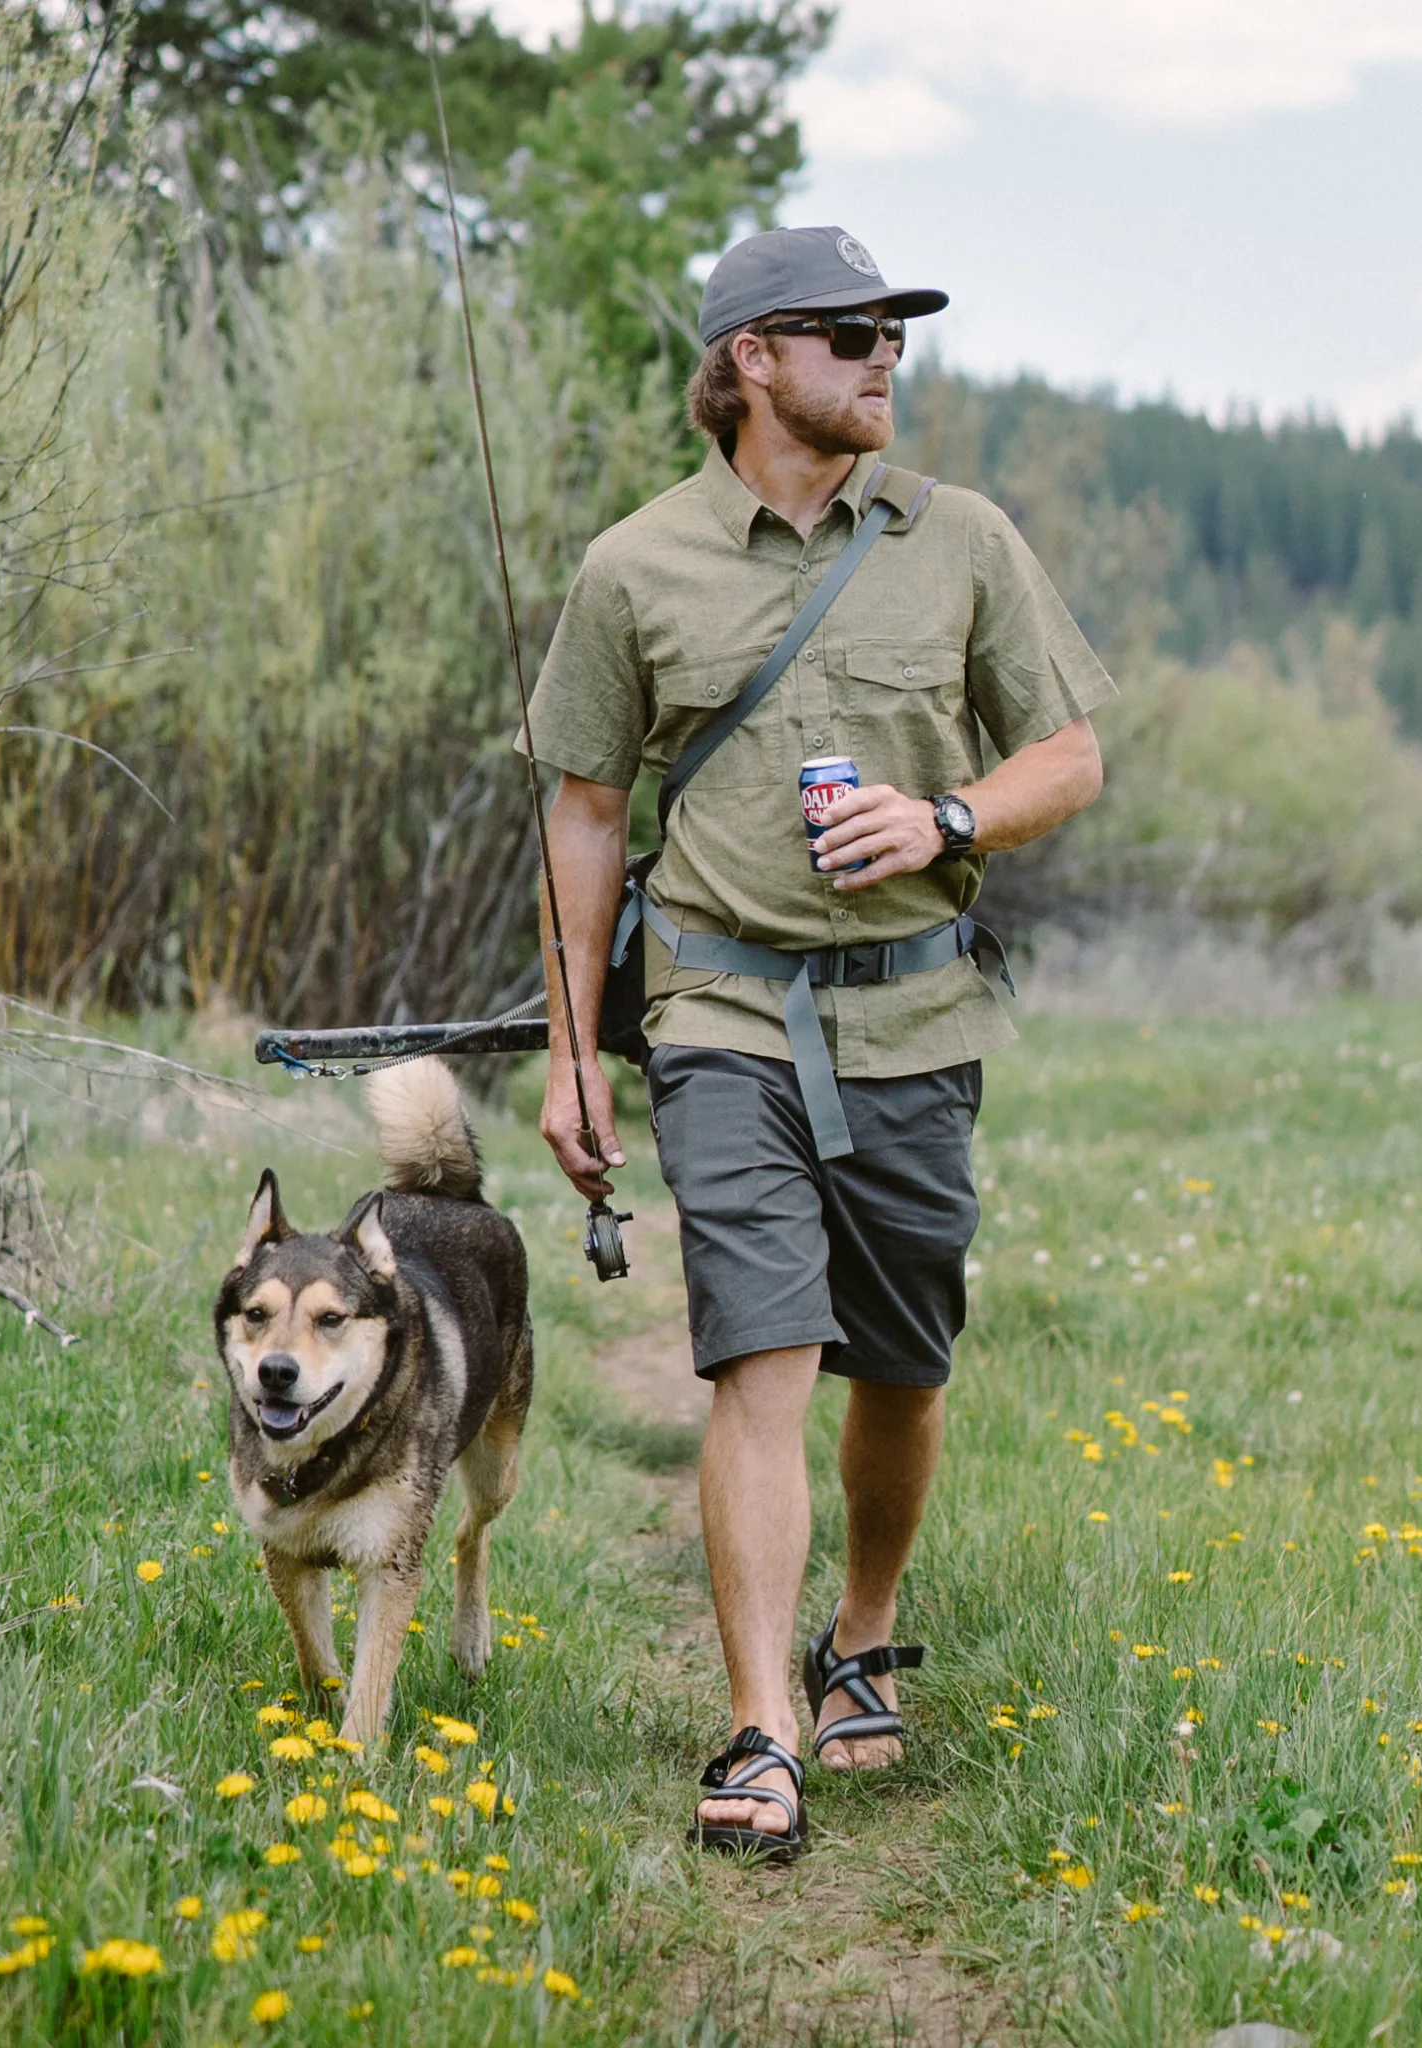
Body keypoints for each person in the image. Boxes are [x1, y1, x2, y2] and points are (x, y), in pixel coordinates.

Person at [523, 225, 1113, 1859]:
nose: (884, 361)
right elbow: (582, 809)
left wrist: (947, 813)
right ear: (753, 360)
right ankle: (761, 1725)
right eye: (850, 334)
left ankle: (860, 1631)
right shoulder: (633, 567)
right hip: (719, 1010)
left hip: (918, 1013)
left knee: (904, 1365)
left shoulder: (964, 541)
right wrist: (580, 1046)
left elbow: (1070, 756)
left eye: (895, 337)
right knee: (759, 1355)